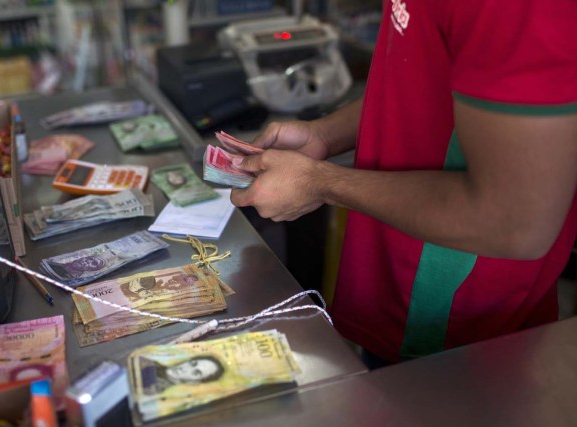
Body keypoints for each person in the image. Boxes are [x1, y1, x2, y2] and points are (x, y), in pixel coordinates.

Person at [230, 1, 577, 367]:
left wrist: (321, 184)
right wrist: (325, 135)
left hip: (459, 324)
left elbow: (514, 222)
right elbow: (426, 78)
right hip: (394, 287)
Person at [139, 355, 225, 394]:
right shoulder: (150, 362)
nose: (184, 368)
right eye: (192, 363)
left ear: (193, 383)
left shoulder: (153, 388)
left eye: (196, 373)